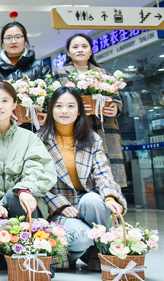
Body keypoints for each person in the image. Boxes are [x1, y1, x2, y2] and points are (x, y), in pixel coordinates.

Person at [0, 81, 57, 270]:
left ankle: (25, 254)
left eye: (5, 101)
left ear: (14, 104)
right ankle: (6, 253)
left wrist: (24, 189)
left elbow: (40, 171)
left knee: (14, 195)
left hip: (26, 211)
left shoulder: (30, 138)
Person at [37, 86, 126, 269]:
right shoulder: (38, 140)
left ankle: (102, 252)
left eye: (71, 106)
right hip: (60, 208)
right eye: (59, 106)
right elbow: (36, 182)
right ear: (51, 109)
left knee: (93, 200)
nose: (64, 111)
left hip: (87, 203)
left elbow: (102, 172)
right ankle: (76, 252)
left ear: (79, 111)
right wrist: (60, 205)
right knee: (81, 236)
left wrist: (110, 197)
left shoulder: (92, 139)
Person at [54, 33, 126, 186]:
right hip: (77, 126)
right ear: (68, 52)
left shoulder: (103, 73)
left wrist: (116, 107)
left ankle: (112, 198)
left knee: (109, 171)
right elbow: (54, 101)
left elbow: (116, 97)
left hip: (105, 125)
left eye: (84, 46)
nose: (80, 50)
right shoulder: (60, 74)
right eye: (75, 47)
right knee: (83, 169)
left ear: (91, 50)